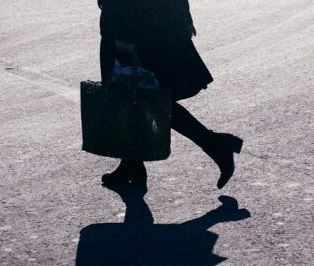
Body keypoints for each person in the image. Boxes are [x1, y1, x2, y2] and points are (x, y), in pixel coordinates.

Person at [98, 0, 242, 191]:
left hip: (134, 26)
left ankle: (216, 145)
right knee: (138, 98)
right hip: (153, 23)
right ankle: (131, 164)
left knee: (143, 98)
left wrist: (124, 33)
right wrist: (184, 17)